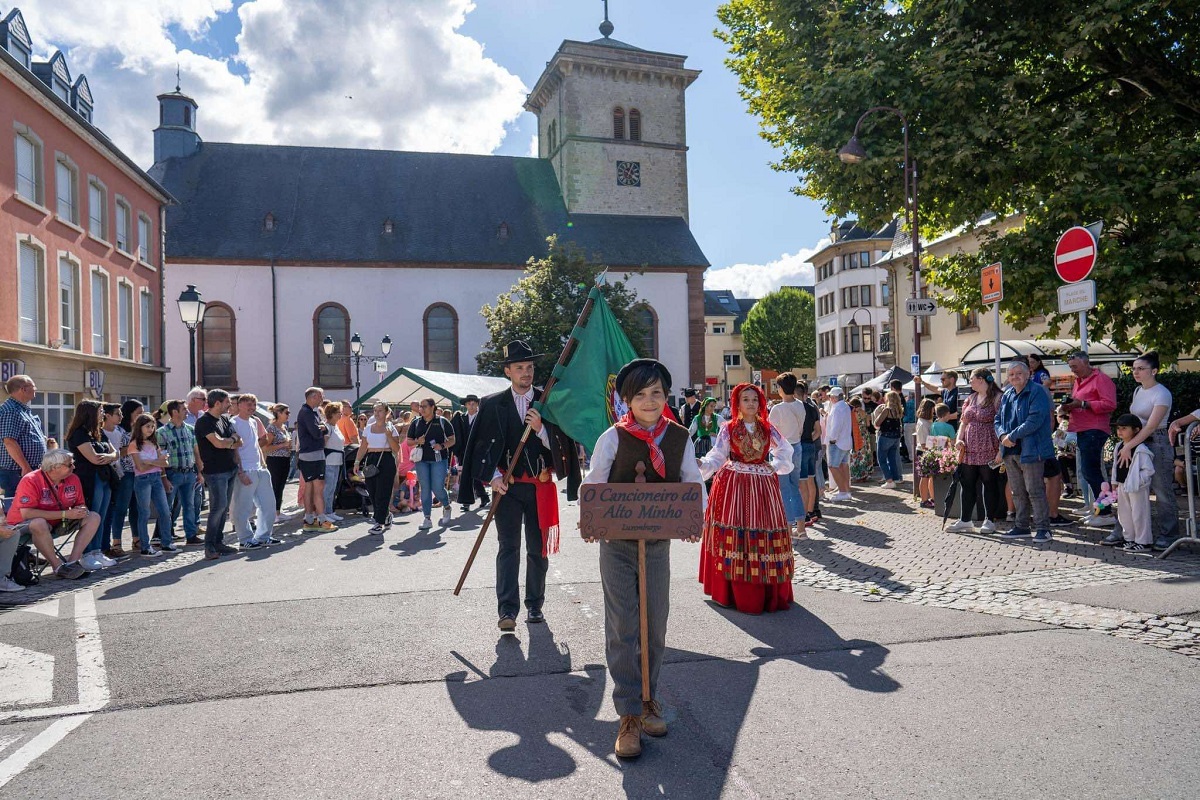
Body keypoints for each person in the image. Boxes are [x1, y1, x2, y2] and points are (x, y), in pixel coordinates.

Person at [580, 358, 703, 759]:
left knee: (655, 622)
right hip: (617, 545)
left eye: (657, 393)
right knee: (623, 624)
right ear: (627, 401)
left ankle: (650, 697)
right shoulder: (612, 439)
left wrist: (691, 518)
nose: (649, 402)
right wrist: (593, 520)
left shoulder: (680, 436)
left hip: (657, 544)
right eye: (641, 395)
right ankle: (628, 713)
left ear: (665, 397)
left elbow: (693, 483)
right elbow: (593, 483)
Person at [459, 340, 580, 631]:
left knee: (537, 550)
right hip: (508, 488)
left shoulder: (548, 401)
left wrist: (542, 430)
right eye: (520, 368)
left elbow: (564, 446)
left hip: (539, 487)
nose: (526, 373)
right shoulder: (492, 404)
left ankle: (535, 606)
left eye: (529, 367)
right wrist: (493, 478)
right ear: (508, 372)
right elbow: (479, 449)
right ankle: (507, 610)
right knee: (508, 548)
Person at [698, 382, 794, 614]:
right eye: (746, 399)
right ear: (737, 404)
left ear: (760, 403)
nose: (751, 403)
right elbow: (718, 455)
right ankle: (730, 590)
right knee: (734, 529)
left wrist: (775, 466)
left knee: (763, 530)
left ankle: (766, 589)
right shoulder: (728, 428)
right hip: (733, 485)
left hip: (762, 486)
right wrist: (702, 465)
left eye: (754, 399)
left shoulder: (768, 429)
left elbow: (785, 451)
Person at [1109, 351, 1179, 551]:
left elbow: (1150, 426)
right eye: (1134, 369)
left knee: (1162, 490)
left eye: (1141, 369)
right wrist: (1128, 444)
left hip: (1156, 442)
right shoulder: (1138, 391)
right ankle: (1127, 533)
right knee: (1129, 488)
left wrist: (1128, 446)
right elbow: (1135, 422)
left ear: (1154, 371)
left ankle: (1169, 534)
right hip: (1137, 443)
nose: (1136, 372)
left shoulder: (1162, 393)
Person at [6, 449, 99, 579]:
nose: (74, 467)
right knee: (39, 523)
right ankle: (58, 566)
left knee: (93, 517)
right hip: (21, 526)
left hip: (57, 522)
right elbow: (27, 513)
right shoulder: (31, 480)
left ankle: (73, 562)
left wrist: (81, 510)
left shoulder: (73, 478)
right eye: (69, 464)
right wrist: (65, 514)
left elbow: (80, 503)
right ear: (55, 467)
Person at [995, 360, 1056, 542]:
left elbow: (1035, 420)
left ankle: (1043, 528)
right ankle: (1021, 526)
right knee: (1017, 491)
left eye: (1018, 373)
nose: (1015, 377)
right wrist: (1002, 436)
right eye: (1011, 374)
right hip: (1010, 450)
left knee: (1035, 490)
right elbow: (997, 419)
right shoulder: (1007, 394)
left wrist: (1011, 436)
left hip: (1032, 449)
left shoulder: (1037, 391)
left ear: (1028, 374)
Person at [1062, 351, 1117, 522]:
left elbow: (1110, 404)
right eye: (1071, 367)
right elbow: (1080, 403)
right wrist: (1069, 407)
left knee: (1090, 471)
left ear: (1086, 363)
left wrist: (1083, 404)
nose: (1073, 370)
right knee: (1089, 471)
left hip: (1095, 429)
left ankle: (1105, 512)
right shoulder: (1079, 381)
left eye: (1075, 367)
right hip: (1083, 429)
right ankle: (1099, 509)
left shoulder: (1101, 379)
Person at [64, 399, 119, 569]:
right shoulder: (79, 433)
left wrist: (109, 457)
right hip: (89, 479)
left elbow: (115, 453)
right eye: (100, 411)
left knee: (101, 515)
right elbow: (94, 458)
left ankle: (97, 551)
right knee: (92, 515)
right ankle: (86, 553)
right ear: (90, 413)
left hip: (104, 477)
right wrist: (109, 457)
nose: (103, 414)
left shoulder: (98, 432)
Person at [947, 368, 1003, 534]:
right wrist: (958, 439)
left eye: (971, 379)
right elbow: (963, 422)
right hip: (969, 447)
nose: (970, 382)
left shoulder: (998, 398)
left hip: (989, 446)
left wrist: (1001, 449)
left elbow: (1002, 423)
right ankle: (965, 520)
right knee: (967, 482)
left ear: (981, 379)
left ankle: (989, 520)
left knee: (989, 482)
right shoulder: (971, 398)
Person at [194, 389, 242, 559]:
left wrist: (229, 442)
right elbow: (218, 443)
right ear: (217, 403)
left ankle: (219, 542)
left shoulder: (224, 419)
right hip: (214, 472)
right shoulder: (204, 422)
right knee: (218, 507)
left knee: (224, 508)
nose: (230, 405)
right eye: (227, 402)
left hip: (230, 468)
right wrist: (231, 442)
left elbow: (238, 441)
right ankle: (209, 546)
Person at [230, 394, 278, 548]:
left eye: (253, 405)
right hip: (245, 469)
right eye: (248, 404)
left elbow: (256, 445)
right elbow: (234, 449)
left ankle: (263, 536)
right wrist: (240, 471)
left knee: (268, 505)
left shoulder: (254, 421)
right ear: (239, 405)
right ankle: (245, 539)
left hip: (260, 468)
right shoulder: (233, 422)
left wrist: (263, 464)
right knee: (242, 507)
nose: (251, 407)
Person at [127, 413, 176, 556]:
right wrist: (156, 462)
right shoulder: (134, 444)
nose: (151, 429)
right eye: (147, 426)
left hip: (156, 478)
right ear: (139, 427)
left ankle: (166, 543)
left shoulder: (154, 443)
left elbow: (165, 463)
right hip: (142, 480)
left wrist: (150, 462)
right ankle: (145, 546)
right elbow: (140, 467)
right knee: (145, 513)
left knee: (165, 511)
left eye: (152, 426)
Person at [155, 400, 203, 546]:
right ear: (174, 412)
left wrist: (199, 472)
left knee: (189, 505)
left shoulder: (190, 429)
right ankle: (164, 537)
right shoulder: (161, 432)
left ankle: (191, 535)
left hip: (189, 473)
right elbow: (160, 456)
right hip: (172, 474)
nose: (186, 412)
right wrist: (164, 478)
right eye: (184, 409)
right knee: (166, 507)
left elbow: (196, 451)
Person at [404, 398, 455, 530]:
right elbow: (408, 441)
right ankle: (427, 518)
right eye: (420, 406)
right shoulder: (416, 423)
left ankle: (447, 506)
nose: (421, 408)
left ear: (432, 407)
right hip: (421, 460)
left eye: (424, 406)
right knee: (425, 488)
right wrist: (417, 441)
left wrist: (442, 445)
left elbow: (452, 439)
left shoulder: (443, 422)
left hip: (439, 459)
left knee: (437, 487)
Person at [768, 372, 808, 539]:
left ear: (781, 389)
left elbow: (770, 433)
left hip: (781, 450)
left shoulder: (777, 409)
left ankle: (788, 528)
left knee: (783, 489)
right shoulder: (800, 405)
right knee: (794, 487)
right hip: (796, 446)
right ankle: (801, 528)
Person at [354, 401, 401, 534]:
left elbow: (396, 449)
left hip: (385, 459)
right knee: (372, 492)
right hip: (371, 459)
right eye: (375, 411)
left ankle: (378, 522)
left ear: (387, 413)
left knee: (383, 492)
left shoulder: (391, 428)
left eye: (380, 411)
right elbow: (363, 446)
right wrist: (357, 462)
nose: (377, 413)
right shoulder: (369, 428)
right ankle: (385, 516)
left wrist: (389, 436)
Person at [1112, 413, 1155, 553]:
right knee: (1123, 514)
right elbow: (1115, 465)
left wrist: (1137, 482)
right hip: (1122, 485)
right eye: (1118, 428)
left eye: (1124, 428)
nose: (1120, 431)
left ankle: (1143, 541)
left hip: (1137, 488)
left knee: (1139, 513)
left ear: (1136, 430)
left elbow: (1148, 470)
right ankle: (1129, 538)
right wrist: (1114, 481)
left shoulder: (1141, 449)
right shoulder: (1118, 446)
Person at [296, 387, 336, 533]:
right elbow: (316, 432)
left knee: (310, 487)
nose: (322, 399)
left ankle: (309, 519)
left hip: (309, 454)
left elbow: (322, 426)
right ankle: (321, 520)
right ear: (313, 397)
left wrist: (322, 427)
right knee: (318, 488)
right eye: (321, 396)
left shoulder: (312, 412)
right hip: (313, 454)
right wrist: (323, 429)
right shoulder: (307, 412)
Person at [0, 375, 47, 498]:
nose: (35, 389)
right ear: (23, 389)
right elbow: (9, 441)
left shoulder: (22, 409)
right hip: (16, 472)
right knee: (17, 509)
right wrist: (25, 467)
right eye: (33, 386)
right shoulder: (11, 410)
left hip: (25, 470)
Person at [452, 395, 488, 513]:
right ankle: (466, 502)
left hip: (478, 451)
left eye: (474, 403)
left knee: (475, 474)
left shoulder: (482, 417)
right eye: (469, 403)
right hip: (464, 451)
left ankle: (483, 496)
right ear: (465, 405)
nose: (471, 405)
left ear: (477, 404)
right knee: (465, 476)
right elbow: (455, 432)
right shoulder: (461, 418)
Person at [320, 402, 347, 524]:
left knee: (333, 487)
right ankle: (325, 512)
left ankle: (330, 511)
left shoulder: (335, 426)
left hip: (337, 461)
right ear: (331, 414)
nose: (340, 415)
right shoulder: (328, 427)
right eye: (338, 413)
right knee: (328, 488)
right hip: (329, 461)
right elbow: (323, 445)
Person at [824, 387, 853, 501]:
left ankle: (843, 491)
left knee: (833, 466)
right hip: (845, 441)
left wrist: (832, 439)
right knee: (843, 466)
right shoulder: (845, 406)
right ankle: (846, 490)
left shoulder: (837, 408)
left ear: (834, 397)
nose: (830, 398)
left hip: (837, 442)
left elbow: (836, 426)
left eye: (831, 396)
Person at [264, 404, 292, 513]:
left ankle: (277, 511)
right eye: (286, 413)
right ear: (279, 413)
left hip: (285, 459)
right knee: (275, 485)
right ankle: (273, 512)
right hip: (274, 460)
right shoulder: (271, 428)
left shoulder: (284, 427)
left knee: (281, 486)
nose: (288, 415)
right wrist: (283, 445)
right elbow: (266, 447)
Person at [873, 390, 904, 489]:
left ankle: (889, 480)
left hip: (886, 436)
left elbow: (877, 423)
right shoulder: (899, 410)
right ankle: (895, 478)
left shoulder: (887, 410)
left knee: (881, 459)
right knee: (892, 459)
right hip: (896, 437)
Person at [847, 397, 875, 483]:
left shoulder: (853, 413)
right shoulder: (864, 413)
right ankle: (865, 474)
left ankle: (858, 475)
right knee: (865, 454)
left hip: (857, 435)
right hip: (865, 435)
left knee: (857, 454)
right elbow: (868, 424)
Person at [915, 398, 936, 508]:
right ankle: (923, 500)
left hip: (928, 450)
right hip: (923, 451)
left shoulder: (928, 421)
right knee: (925, 476)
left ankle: (932, 498)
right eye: (933, 409)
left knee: (930, 476)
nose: (934, 412)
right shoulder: (923, 424)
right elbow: (923, 443)